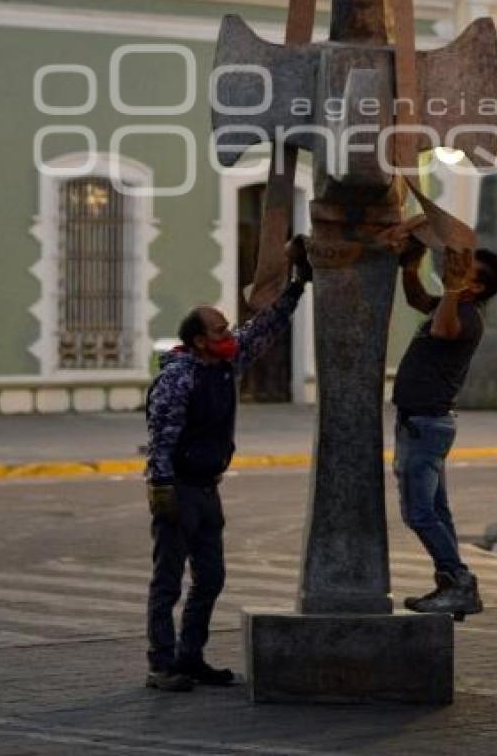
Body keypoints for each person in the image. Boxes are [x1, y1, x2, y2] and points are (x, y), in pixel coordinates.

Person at [144, 238, 313, 692]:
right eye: (220, 331)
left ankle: (190, 656)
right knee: (167, 582)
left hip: (207, 488)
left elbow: (263, 329)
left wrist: (296, 288)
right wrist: (162, 490)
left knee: (211, 577)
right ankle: (162, 666)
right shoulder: (179, 377)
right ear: (199, 340)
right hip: (178, 487)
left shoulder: (223, 366)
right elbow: (161, 436)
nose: (229, 336)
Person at [392, 245, 497, 620]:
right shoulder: (452, 304)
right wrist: (411, 266)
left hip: (425, 425)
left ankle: (459, 581)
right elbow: (417, 299)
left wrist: (454, 288)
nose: (455, 269)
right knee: (438, 511)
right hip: (425, 423)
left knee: (420, 513)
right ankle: (449, 584)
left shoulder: (467, 316)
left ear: (476, 287)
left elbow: (442, 330)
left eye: (465, 270)